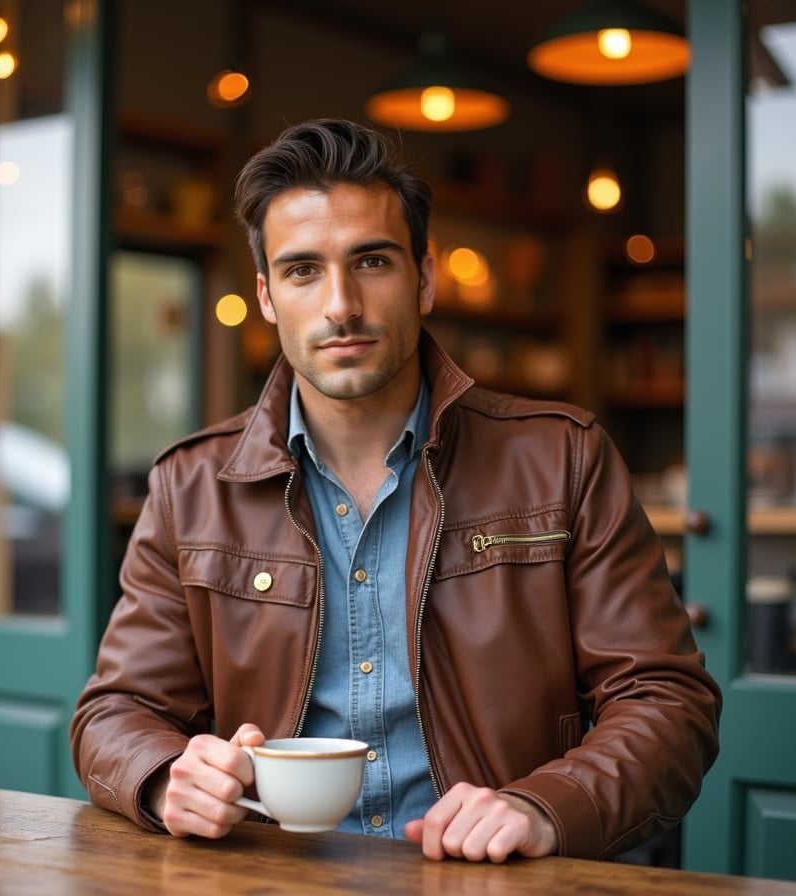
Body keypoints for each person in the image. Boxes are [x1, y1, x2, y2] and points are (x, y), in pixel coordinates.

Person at [70, 118, 721, 864]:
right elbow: (115, 711)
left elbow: (668, 702)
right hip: (278, 878)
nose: (341, 304)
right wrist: (165, 777)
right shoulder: (189, 486)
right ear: (267, 297)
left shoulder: (564, 459)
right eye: (303, 270)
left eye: (372, 261)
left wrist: (543, 808)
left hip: (495, 879)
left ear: (424, 279)